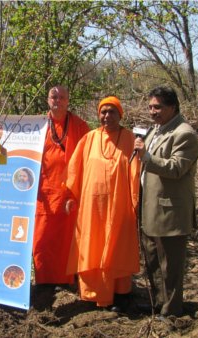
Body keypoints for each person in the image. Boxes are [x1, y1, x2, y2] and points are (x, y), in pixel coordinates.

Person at [65, 96, 141, 312]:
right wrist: (71, 197)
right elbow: (75, 171)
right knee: (93, 245)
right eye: (103, 112)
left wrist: (134, 203)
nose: (107, 116)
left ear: (120, 115)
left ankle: (119, 293)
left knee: (117, 246)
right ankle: (93, 294)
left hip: (119, 205)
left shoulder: (129, 139)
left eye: (112, 112)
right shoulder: (89, 139)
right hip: (92, 208)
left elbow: (137, 172)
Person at [134, 86, 198, 318]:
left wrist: (148, 157)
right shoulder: (156, 130)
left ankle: (172, 311)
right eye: (151, 107)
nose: (153, 111)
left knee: (170, 266)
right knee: (152, 260)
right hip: (150, 207)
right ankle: (158, 303)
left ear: (173, 107)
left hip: (170, 212)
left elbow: (176, 168)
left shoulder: (184, 134)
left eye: (158, 107)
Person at [32, 86, 89, 291]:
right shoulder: (36, 125)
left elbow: (88, 158)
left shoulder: (80, 126)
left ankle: (66, 279)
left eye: (62, 97)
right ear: (47, 100)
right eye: (54, 96)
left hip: (69, 191)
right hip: (43, 192)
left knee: (67, 239)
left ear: (68, 100)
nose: (58, 100)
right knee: (42, 239)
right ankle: (44, 280)